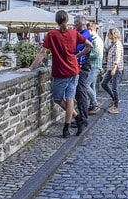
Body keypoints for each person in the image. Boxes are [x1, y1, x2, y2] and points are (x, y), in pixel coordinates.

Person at [20, 10, 92, 138]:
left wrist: (30, 68)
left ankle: (74, 121)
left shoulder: (52, 34)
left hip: (60, 71)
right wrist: (77, 55)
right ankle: (70, 125)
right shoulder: (73, 33)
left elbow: (42, 53)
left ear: (56, 20)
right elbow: (89, 45)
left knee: (58, 99)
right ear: (67, 20)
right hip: (74, 70)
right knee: (70, 98)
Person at [73, 15, 93, 127]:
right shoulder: (81, 34)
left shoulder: (85, 35)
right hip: (79, 66)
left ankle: (83, 119)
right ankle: (81, 117)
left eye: (76, 22)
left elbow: (88, 47)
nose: (74, 24)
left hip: (82, 66)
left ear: (82, 23)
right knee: (78, 92)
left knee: (80, 91)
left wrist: (77, 55)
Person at [101, 27, 124, 113]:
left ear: (113, 34)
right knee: (103, 84)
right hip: (109, 68)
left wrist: (114, 68)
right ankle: (114, 98)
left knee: (114, 88)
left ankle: (116, 107)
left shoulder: (118, 44)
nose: (107, 35)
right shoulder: (113, 44)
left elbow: (117, 58)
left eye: (109, 34)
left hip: (115, 69)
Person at [86, 21, 104, 114]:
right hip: (94, 66)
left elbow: (96, 54)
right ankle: (92, 106)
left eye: (87, 30)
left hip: (94, 66)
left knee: (86, 85)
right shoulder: (95, 39)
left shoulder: (96, 40)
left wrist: (85, 54)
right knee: (92, 87)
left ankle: (95, 104)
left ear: (91, 30)